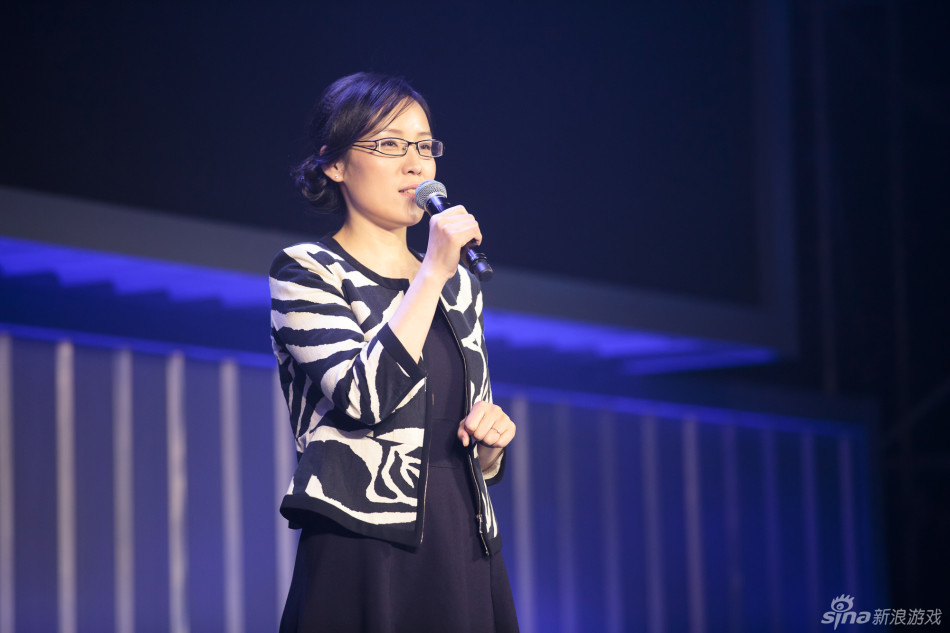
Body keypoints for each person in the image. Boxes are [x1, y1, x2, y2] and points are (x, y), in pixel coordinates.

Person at [270, 72, 520, 632]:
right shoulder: (308, 271)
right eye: (389, 144)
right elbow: (365, 398)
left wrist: (490, 448)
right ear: (334, 163)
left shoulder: (459, 286)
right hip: (362, 540)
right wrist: (431, 271)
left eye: (424, 147)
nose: (415, 164)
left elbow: (465, 438)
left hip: (463, 538)